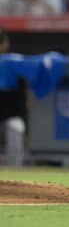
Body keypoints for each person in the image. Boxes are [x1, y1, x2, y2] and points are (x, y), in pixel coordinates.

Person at [0, 28, 26, 166]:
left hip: (11, 116)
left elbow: (26, 97)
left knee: (15, 127)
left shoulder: (14, 63)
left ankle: (15, 176)